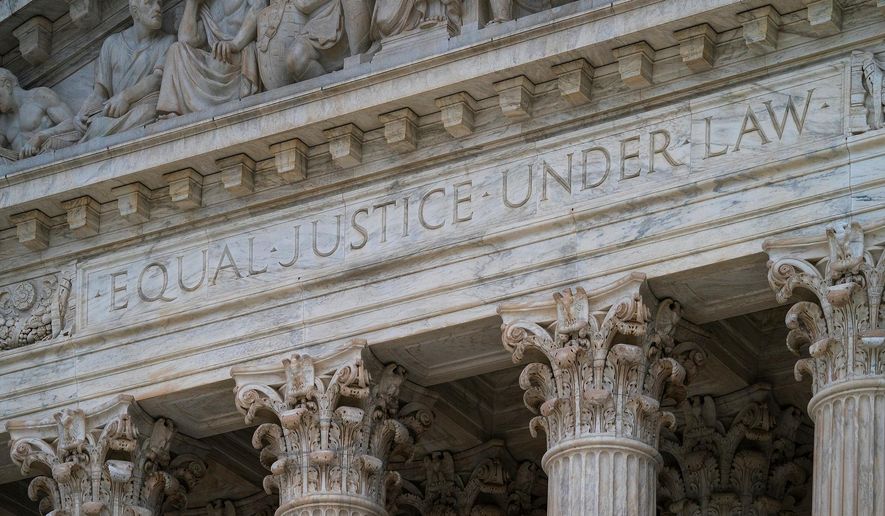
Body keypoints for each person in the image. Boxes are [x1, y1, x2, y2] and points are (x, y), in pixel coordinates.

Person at [75, 0, 174, 142]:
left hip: (144, 107)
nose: (158, 8)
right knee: (96, 125)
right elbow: (99, 93)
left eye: (159, 3)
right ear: (135, 11)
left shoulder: (167, 41)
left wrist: (125, 97)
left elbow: (158, 78)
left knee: (148, 112)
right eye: (149, 3)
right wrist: (81, 114)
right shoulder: (111, 44)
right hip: (114, 114)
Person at [158, 0, 265, 115]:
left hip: (237, 56)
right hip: (215, 59)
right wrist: (192, 4)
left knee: (219, 62)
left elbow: (259, 7)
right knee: (175, 50)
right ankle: (173, 113)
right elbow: (187, 40)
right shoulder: (206, 4)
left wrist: (235, 44)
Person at [0, 68, 76, 162]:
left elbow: (72, 123)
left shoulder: (39, 96)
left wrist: (40, 136)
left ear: (7, 85)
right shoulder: (3, 121)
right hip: (22, 171)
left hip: (55, 160)